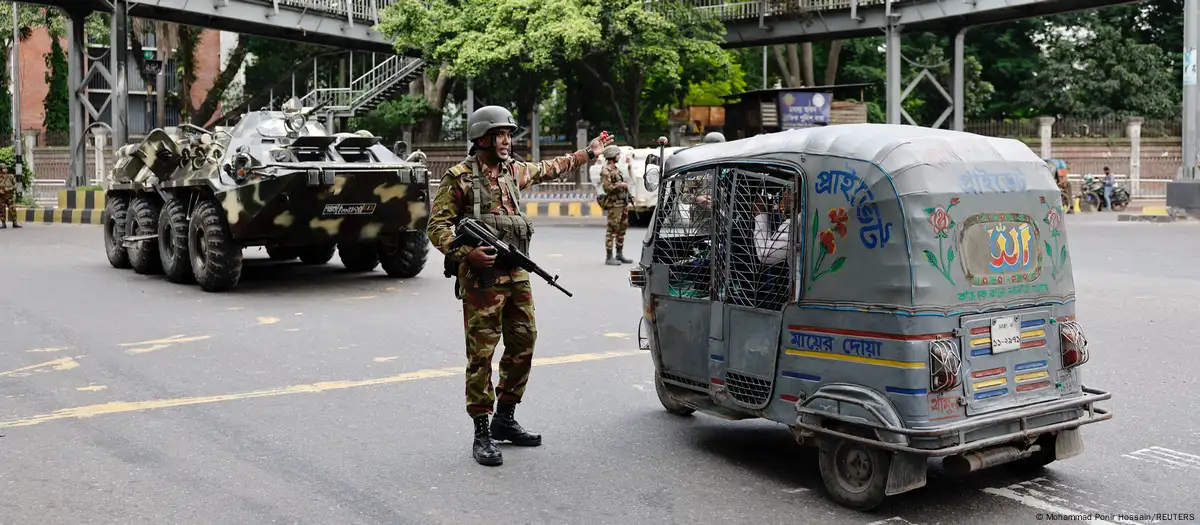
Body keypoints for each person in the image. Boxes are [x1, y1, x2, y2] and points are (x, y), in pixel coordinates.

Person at [426, 105, 613, 467]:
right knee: (481, 354)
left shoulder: (513, 172)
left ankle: (505, 418)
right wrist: (466, 253)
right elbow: (437, 226)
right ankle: (482, 430)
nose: (507, 141)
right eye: (501, 135)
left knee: (524, 342)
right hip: (482, 280)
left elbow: (549, 168)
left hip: (516, 275)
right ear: (482, 138)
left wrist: (587, 153)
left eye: (509, 134)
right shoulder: (460, 178)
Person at [600, 145, 632, 266]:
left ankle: (619, 253)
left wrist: (629, 195)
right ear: (612, 156)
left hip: (622, 203)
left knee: (622, 228)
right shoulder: (606, 170)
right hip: (614, 204)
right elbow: (607, 188)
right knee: (612, 229)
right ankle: (609, 257)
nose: (619, 156)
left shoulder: (616, 169)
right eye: (617, 154)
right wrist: (620, 185)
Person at [752, 189, 793, 265]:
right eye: (785, 189)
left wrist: (760, 213)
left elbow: (764, 253)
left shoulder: (795, 224)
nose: (785, 193)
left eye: (790, 190)